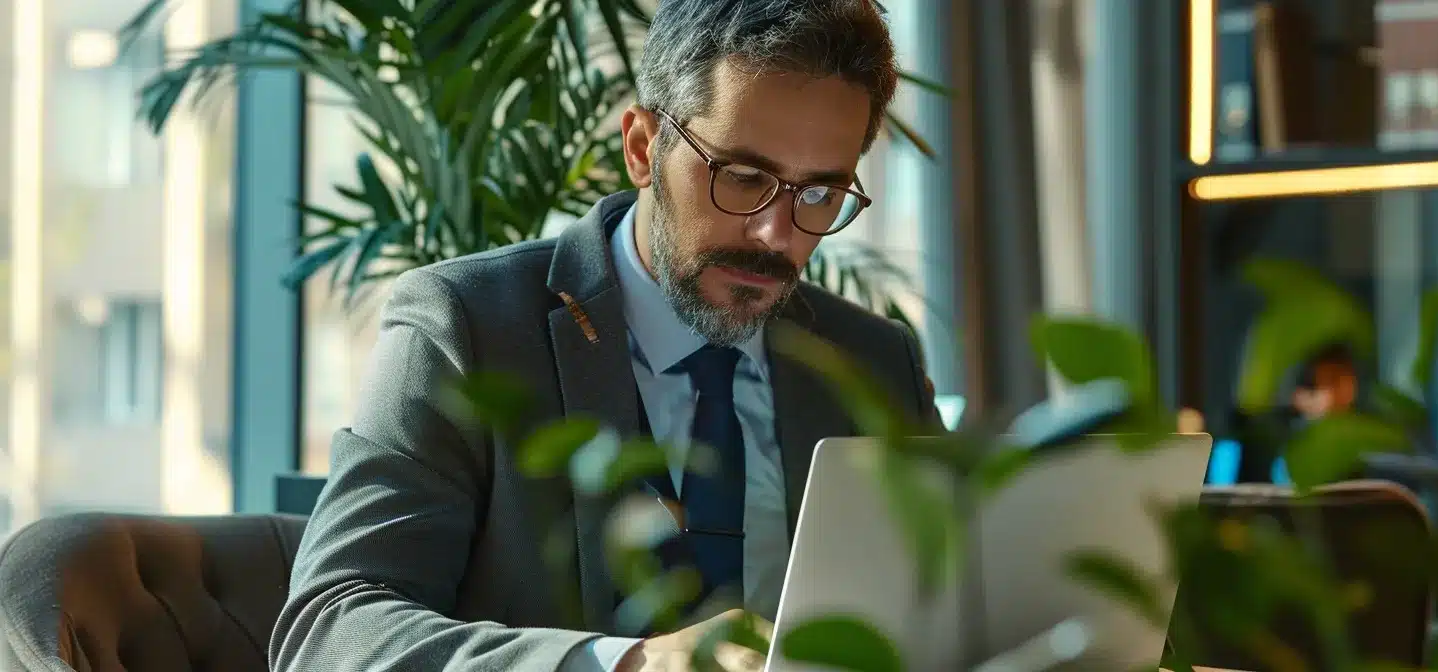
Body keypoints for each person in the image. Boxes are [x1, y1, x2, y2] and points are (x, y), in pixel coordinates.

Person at [269, 2, 940, 670]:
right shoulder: (465, 326)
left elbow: (954, 612)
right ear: (643, 148)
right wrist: (623, 664)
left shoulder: (874, 360)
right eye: (742, 178)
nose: (776, 235)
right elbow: (330, 632)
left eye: (820, 195)